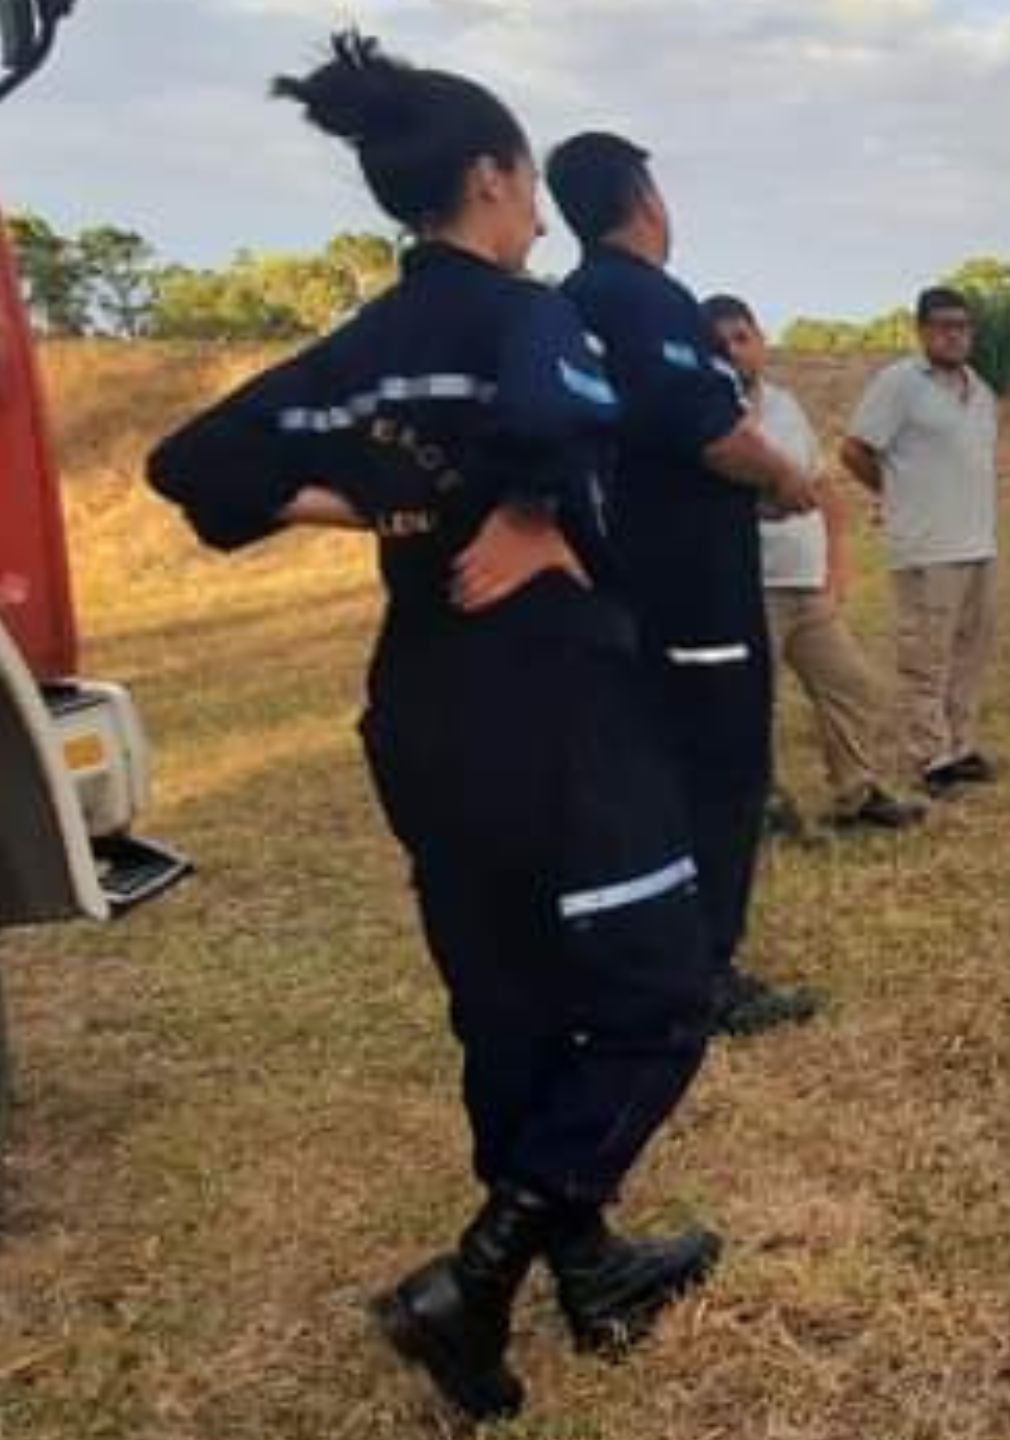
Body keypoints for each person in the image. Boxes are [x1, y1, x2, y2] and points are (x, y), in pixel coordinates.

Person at [147, 33, 720, 1422]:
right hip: (554, 706)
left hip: (423, 710)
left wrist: (403, 511)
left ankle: (585, 1268)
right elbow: (549, 416)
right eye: (524, 182)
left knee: (508, 998)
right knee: (660, 996)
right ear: (488, 176)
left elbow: (197, 464)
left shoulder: (361, 346)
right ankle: (478, 1276)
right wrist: (521, 515)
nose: (536, 212)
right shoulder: (525, 313)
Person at [550, 133, 824, 1037]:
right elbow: (710, 434)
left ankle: (642, 955)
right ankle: (702, 970)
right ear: (643, 199)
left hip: (629, 583)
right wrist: (784, 479)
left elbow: (655, 453)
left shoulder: (573, 301)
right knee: (721, 772)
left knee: (650, 776)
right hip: (693, 601)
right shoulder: (646, 300)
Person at [701, 294, 925, 835]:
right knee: (752, 704)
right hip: (748, 585)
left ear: (760, 339)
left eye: (741, 338)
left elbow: (823, 489)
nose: (732, 352)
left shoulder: (785, 405)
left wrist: (835, 568)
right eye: (718, 344)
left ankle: (856, 795)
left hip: (805, 584)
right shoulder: (703, 413)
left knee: (851, 685)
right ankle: (758, 805)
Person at [841, 287, 1003, 798]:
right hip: (926, 547)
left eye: (963, 325)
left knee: (969, 654)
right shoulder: (899, 383)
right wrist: (897, 492)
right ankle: (929, 757)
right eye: (943, 325)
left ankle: (961, 744)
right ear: (922, 330)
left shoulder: (981, 391)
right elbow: (855, 450)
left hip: (978, 542)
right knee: (925, 658)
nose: (954, 334)